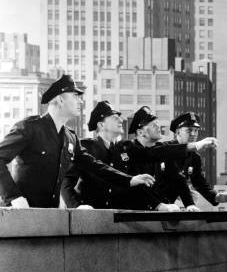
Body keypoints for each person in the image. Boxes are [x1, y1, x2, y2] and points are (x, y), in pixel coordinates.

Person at [0, 75, 155, 208]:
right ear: (60, 99)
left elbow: (95, 166)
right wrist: (13, 197)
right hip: (22, 213)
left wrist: (130, 179)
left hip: (50, 216)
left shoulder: (70, 137)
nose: (80, 102)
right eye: (75, 96)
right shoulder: (30, 128)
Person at [61, 101, 213, 211]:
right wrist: (77, 207)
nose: (121, 120)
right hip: (91, 214)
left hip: (117, 214)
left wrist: (194, 145)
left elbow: (156, 152)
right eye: (115, 118)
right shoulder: (86, 147)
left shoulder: (123, 149)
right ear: (101, 125)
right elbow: (67, 182)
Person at [128, 106, 205, 212]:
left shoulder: (160, 150)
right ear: (141, 132)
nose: (158, 127)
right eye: (153, 124)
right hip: (135, 215)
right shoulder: (130, 150)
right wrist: (159, 205)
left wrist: (189, 204)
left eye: (157, 123)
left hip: (157, 212)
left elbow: (178, 178)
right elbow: (137, 189)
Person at [167, 112, 227, 208]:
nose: (193, 134)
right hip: (148, 206)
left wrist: (215, 196)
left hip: (167, 209)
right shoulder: (166, 150)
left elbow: (199, 182)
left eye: (196, 130)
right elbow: (169, 180)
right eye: (189, 130)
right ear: (178, 132)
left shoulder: (194, 157)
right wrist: (181, 193)